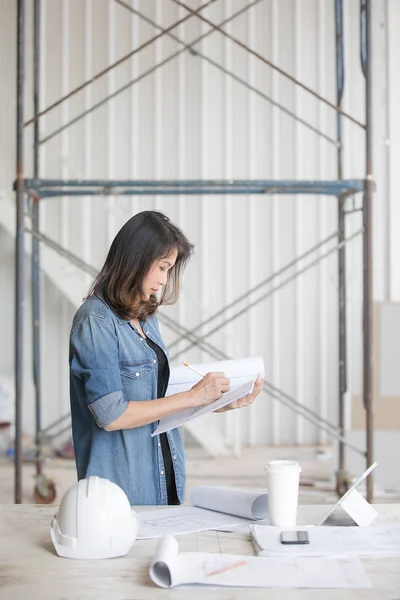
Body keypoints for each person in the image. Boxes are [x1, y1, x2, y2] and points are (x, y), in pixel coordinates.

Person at [69, 211, 263, 505]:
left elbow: (157, 401)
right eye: (161, 267)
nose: (163, 280)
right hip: (122, 487)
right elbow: (111, 415)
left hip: (163, 476)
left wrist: (220, 401)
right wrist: (193, 397)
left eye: (168, 269)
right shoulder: (96, 322)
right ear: (136, 259)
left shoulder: (145, 317)